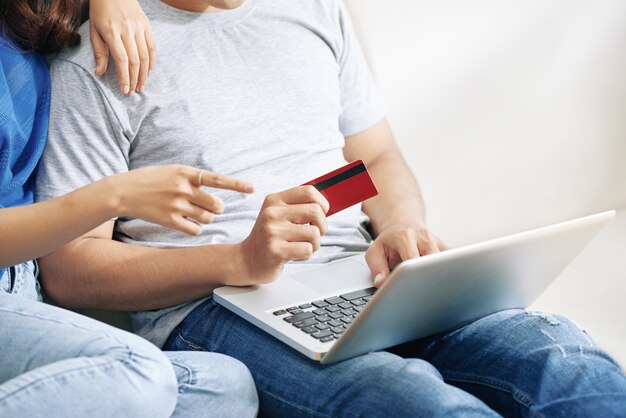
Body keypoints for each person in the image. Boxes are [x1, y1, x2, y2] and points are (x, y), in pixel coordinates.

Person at [35, 0, 626, 416]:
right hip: (213, 310)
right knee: (411, 401)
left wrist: (400, 227)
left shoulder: (313, 9)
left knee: (565, 362)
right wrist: (239, 260)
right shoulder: (99, 60)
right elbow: (69, 269)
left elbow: (379, 157)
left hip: (367, 280)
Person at [0, 0, 258, 416]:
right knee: (139, 372)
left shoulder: (43, 16)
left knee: (223, 386)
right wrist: (115, 194)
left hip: (22, 294)